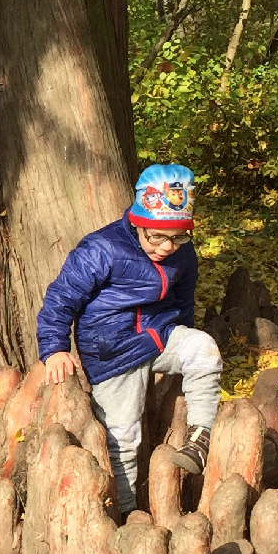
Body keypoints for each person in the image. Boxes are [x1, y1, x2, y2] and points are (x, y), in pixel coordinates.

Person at [33, 165, 222, 514]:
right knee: (123, 438)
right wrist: (55, 349)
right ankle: (127, 510)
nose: (167, 247)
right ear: (137, 222)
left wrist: (183, 347)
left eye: (178, 237)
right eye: (157, 237)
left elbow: (183, 301)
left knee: (204, 350)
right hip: (113, 349)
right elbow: (60, 299)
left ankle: (199, 438)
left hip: (159, 335)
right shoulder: (101, 249)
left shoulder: (181, 252)